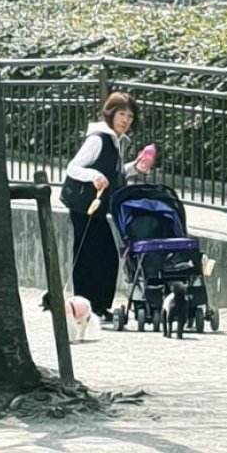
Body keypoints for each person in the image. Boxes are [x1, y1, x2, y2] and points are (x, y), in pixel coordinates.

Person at [62, 91, 151, 322]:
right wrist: (94, 176)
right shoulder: (98, 139)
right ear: (111, 115)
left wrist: (136, 167)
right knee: (90, 255)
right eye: (122, 114)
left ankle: (97, 307)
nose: (126, 120)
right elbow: (73, 167)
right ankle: (86, 308)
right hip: (84, 205)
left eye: (130, 117)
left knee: (103, 256)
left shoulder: (117, 141)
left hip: (99, 206)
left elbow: (116, 172)